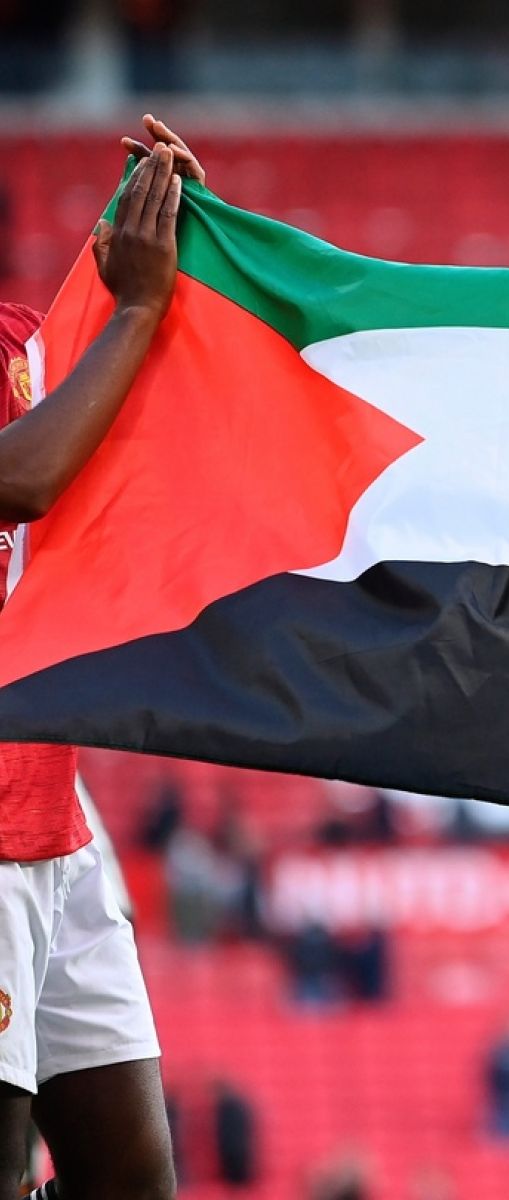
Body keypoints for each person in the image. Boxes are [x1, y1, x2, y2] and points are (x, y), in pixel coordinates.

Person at [0, 114, 204, 1200]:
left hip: (58, 832)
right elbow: (20, 479)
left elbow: (106, 413)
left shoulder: (15, 343)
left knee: (135, 1181)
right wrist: (134, 300)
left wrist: (170, 237)